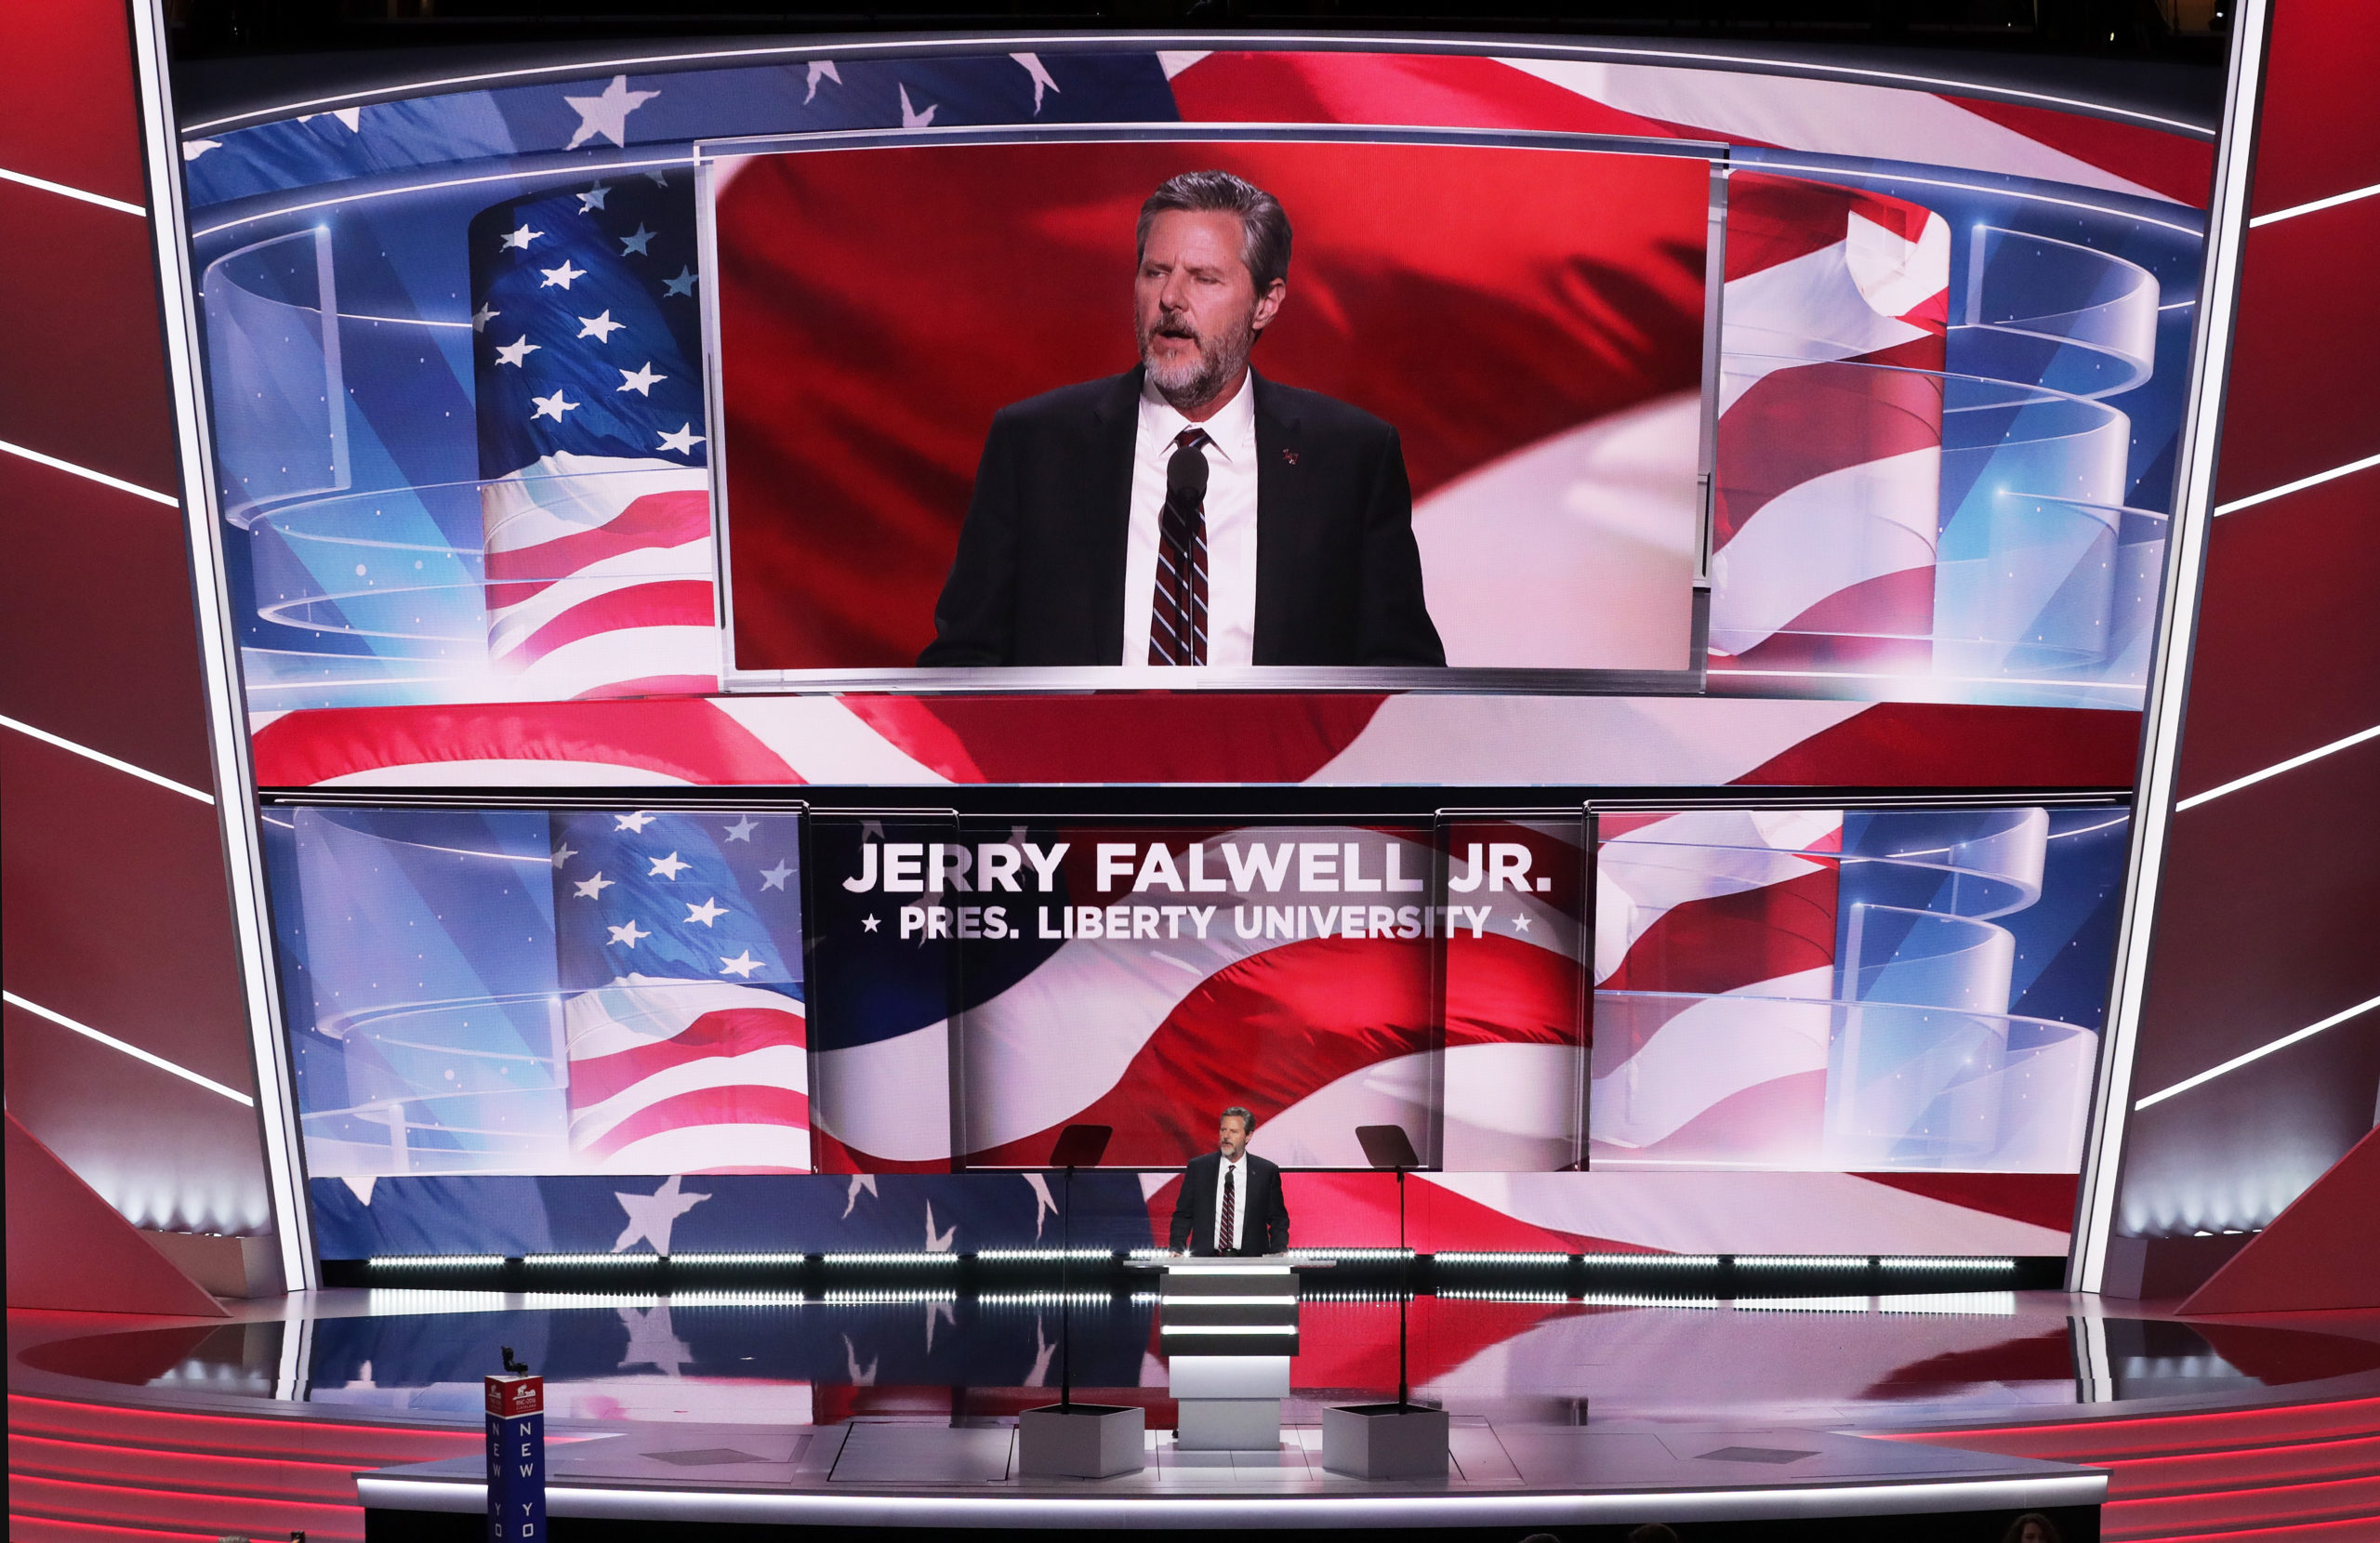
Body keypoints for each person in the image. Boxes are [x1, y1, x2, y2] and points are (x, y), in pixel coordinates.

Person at [918, 169, 1445, 669]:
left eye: (1204, 279)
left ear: (1266, 303)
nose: (1171, 299)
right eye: (1156, 272)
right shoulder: (1034, 447)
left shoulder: (1351, 460)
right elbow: (962, 668)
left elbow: (1403, 685)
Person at [1168, 1106, 1291, 1255]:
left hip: (1252, 1263)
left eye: (1233, 1131)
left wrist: (1279, 1251)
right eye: (1223, 1130)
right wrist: (1177, 1247)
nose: (1226, 1136)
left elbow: (1278, 1219)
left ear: (1248, 1136)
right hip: (1205, 1262)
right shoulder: (1199, 1168)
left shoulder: (1265, 1172)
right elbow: (1183, 1215)